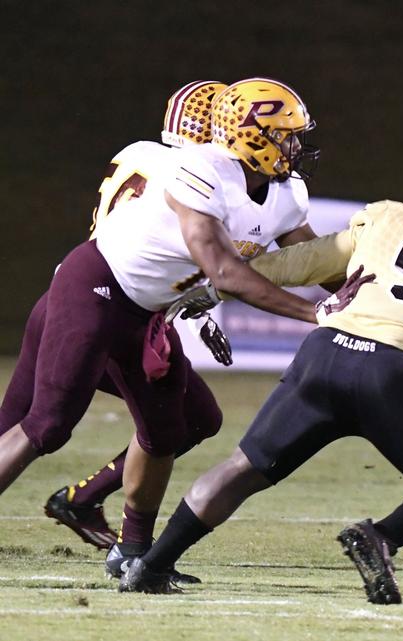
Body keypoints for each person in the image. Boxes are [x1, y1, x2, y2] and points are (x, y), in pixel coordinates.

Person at [119, 159, 403, 605]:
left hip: (324, 353)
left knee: (242, 468)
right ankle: (382, 539)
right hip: (395, 372)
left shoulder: (386, 217)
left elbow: (302, 261)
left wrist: (219, 287)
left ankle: (151, 565)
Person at [0, 77, 322, 581]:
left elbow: (314, 259)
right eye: (286, 135)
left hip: (150, 314)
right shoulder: (198, 170)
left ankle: (135, 554)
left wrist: (373, 272)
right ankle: (94, 513)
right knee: (46, 424)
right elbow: (223, 271)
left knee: (171, 428)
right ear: (251, 135)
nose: (296, 146)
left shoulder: (286, 193)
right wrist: (312, 315)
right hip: (96, 289)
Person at [39, 81, 233, 557]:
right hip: (110, 307)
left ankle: (84, 500)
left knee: (195, 417)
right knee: (40, 425)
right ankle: (126, 540)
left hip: (85, 292)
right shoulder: (191, 176)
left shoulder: (140, 154)